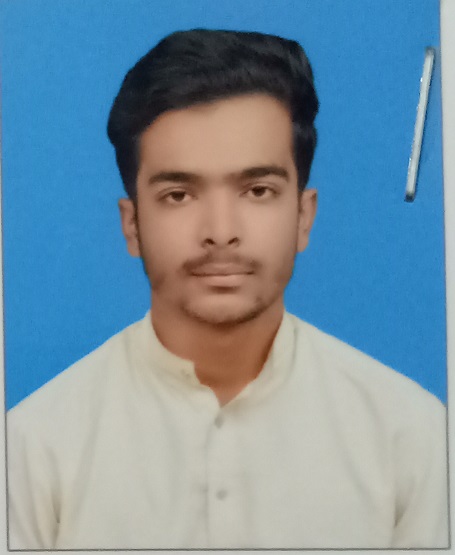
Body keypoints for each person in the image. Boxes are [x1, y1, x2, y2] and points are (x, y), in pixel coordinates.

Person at [7, 29, 448, 550]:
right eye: (178, 194)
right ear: (132, 225)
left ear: (304, 216)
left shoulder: (412, 438)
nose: (220, 231)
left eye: (258, 190)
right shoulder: (32, 448)